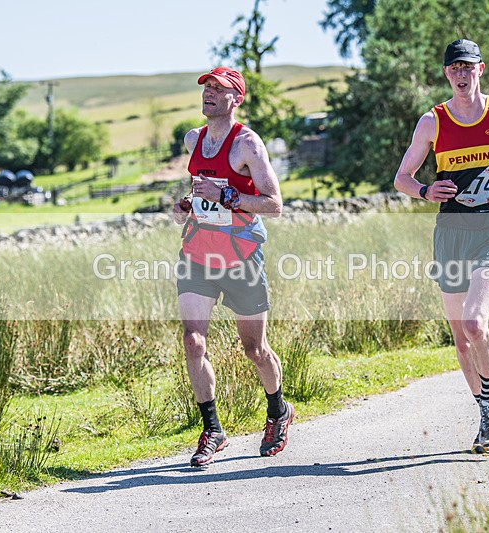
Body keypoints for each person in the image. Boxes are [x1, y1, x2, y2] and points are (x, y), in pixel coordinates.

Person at [394, 39, 489, 454]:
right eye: (453, 68)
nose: (461, 74)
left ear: (481, 69)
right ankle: (484, 410)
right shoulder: (432, 122)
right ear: (447, 74)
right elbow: (401, 178)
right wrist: (425, 190)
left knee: (476, 323)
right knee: (460, 337)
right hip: (451, 235)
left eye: (468, 67)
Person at [172, 66, 293, 467]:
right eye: (206, 87)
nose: (208, 93)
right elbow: (196, 194)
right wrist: (185, 207)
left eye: (218, 89)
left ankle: (278, 411)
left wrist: (227, 194)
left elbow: (274, 205)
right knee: (193, 341)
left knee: (254, 348)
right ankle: (213, 430)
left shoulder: (248, 145)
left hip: (241, 255)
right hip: (198, 252)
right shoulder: (194, 139)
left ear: (235, 98)